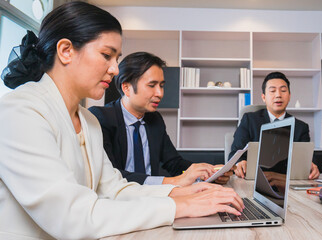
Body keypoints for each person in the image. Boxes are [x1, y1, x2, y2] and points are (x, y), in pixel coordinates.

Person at [0, 2, 243, 239]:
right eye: (106, 55)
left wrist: (180, 193)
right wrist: (180, 206)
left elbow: (115, 190)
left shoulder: (87, 120)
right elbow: (72, 215)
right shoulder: (20, 111)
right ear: (66, 51)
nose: (116, 69)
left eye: (117, 58)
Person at [89, 52, 232, 186]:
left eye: (161, 86)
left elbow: (174, 163)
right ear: (126, 88)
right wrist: (175, 181)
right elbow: (111, 176)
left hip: (154, 198)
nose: (160, 93)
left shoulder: (154, 120)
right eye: (152, 85)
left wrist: (209, 173)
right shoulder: (101, 118)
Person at [230, 71, 320, 179]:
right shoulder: (249, 120)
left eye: (283, 90)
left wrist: (311, 167)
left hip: (285, 183)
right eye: (272, 91)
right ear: (263, 97)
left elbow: (308, 160)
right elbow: (235, 154)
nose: (278, 95)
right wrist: (239, 163)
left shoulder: (300, 127)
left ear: (289, 95)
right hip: (252, 181)